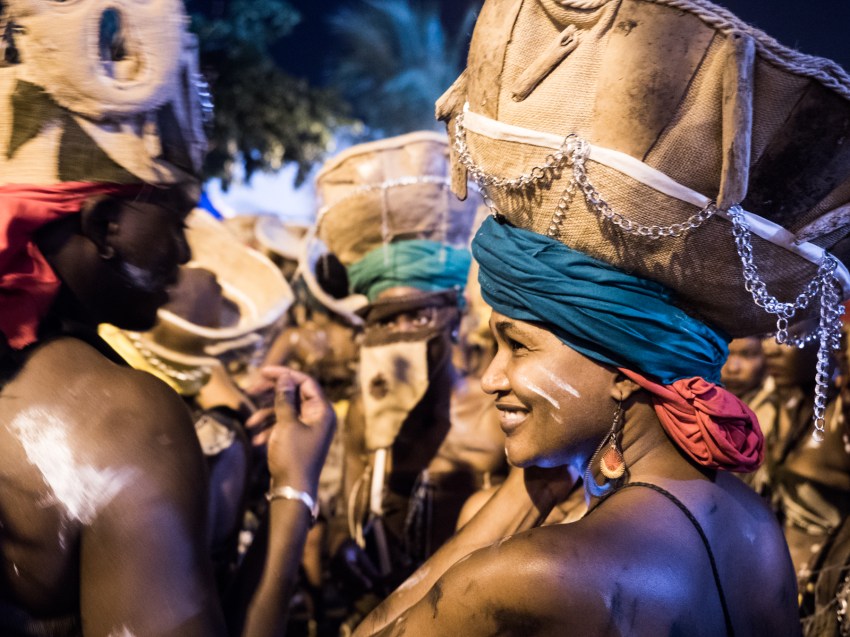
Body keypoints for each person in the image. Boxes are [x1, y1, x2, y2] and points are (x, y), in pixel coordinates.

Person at [344, 0, 850, 633]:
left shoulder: (536, 573)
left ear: (623, 369)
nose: (491, 378)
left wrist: (504, 509)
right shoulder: (752, 526)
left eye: (518, 346)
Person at [0, 2, 334, 635]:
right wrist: (294, 495)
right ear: (105, 226)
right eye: (175, 219)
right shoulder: (122, 419)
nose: (184, 252)